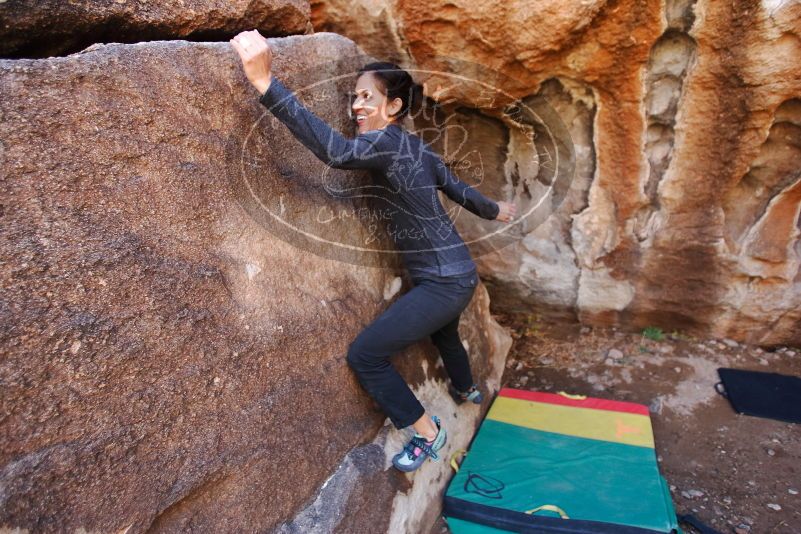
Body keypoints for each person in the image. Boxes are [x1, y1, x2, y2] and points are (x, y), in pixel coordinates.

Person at [230, 30, 516, 472]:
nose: (356, 106)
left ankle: (427, 432)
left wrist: (268, 84)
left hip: (442, 281)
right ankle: (467, 389)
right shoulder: (418, 148)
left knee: (365, 355)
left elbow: (336, 152)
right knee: (444, 335)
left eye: (368, 97)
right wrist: (496, 210)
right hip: (456, 274)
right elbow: (460, 190)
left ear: (395, 107)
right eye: (354, 98)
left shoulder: (383, 142)